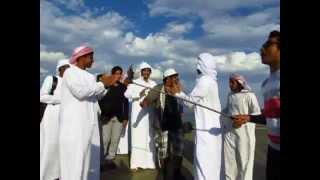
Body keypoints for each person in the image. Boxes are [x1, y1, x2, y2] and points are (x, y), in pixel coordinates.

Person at [59, 46, 117, 180]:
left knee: (89, 158)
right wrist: (103, 84)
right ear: (82, 57)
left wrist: (108, 85)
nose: (93, 60)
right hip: (75, 124)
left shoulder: (90, 76)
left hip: (90, 123)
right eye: (91, 57)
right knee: (75, 159)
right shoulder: (70, 72)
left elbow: (97, 96)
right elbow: (80, 92)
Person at [232, 31, 280, 180]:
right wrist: (247, 117)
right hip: (273, 150)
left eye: (268, 44)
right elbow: (269, 115)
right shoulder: (265, 84)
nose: (262, 48)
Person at [170, 53, 224, 180]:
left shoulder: (204, 81)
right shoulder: (212, 81)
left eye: (199, 63)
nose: (197, 67)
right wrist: (180, 93)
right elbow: (196, 104)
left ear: (203, 65)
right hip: (212, 130)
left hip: (206, 130)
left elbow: (189, 102)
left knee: (204, 160)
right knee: (212, 161)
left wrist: (177, 94)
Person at [140, 68, 185, 180]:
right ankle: (163, 172)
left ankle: (177, 173)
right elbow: (148, 99)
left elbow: (183, 103)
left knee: (178, 150)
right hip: (162, 125)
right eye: (174, 77)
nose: (176, 79)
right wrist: (144, 102)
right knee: (163, 152)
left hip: (176, 125)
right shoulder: (158, 89)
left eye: (176, 77)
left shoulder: (178, 88)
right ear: (167, 79)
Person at [223, 73, 261, 180]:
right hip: (230, 134)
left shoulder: (249, 95)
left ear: (240, 83)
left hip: (244, 136)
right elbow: (227, 110)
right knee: (229, 162)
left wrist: (243, 120)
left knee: (244, 163)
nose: (230, 84)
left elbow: (257, 114)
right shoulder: (230, 95)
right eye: (229, 82)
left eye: (232, 82)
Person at [124, 62, 157, 171]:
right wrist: (139, 94)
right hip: (138, 115)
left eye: (148, 70)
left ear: (150, 72)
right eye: (144, 70)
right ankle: (135, 164)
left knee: (149, 137)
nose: (146, 72)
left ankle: (150, 163)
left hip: (150, 114)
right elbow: (126, 94)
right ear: (141, 72)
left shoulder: (153, 84)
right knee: (138, 137)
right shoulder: (135, 83)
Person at [40, 59, 70, 180]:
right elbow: (42, 96)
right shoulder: (52, 79)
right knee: (50, 144)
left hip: (66, 116)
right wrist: (61, 99)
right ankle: (46, 175)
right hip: (52, 115)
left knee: (62, 145)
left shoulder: (71, 82)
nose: (68, 70)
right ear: (59, 69)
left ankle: (59, 174)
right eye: (65, 67)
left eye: (69, 68)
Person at [98, 66, 129, 166]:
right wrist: (102, 114)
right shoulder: (106, 86)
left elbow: (126, 103)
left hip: (119, 117)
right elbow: (100, 101)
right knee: (105, 139)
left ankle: (110, 158)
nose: (118, 75)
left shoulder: (123, 87)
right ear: (112, 74)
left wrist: (126, 118)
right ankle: (101, 160)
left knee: (115, 139)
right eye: (116, 73)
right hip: (106, 117)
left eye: (120, 73)